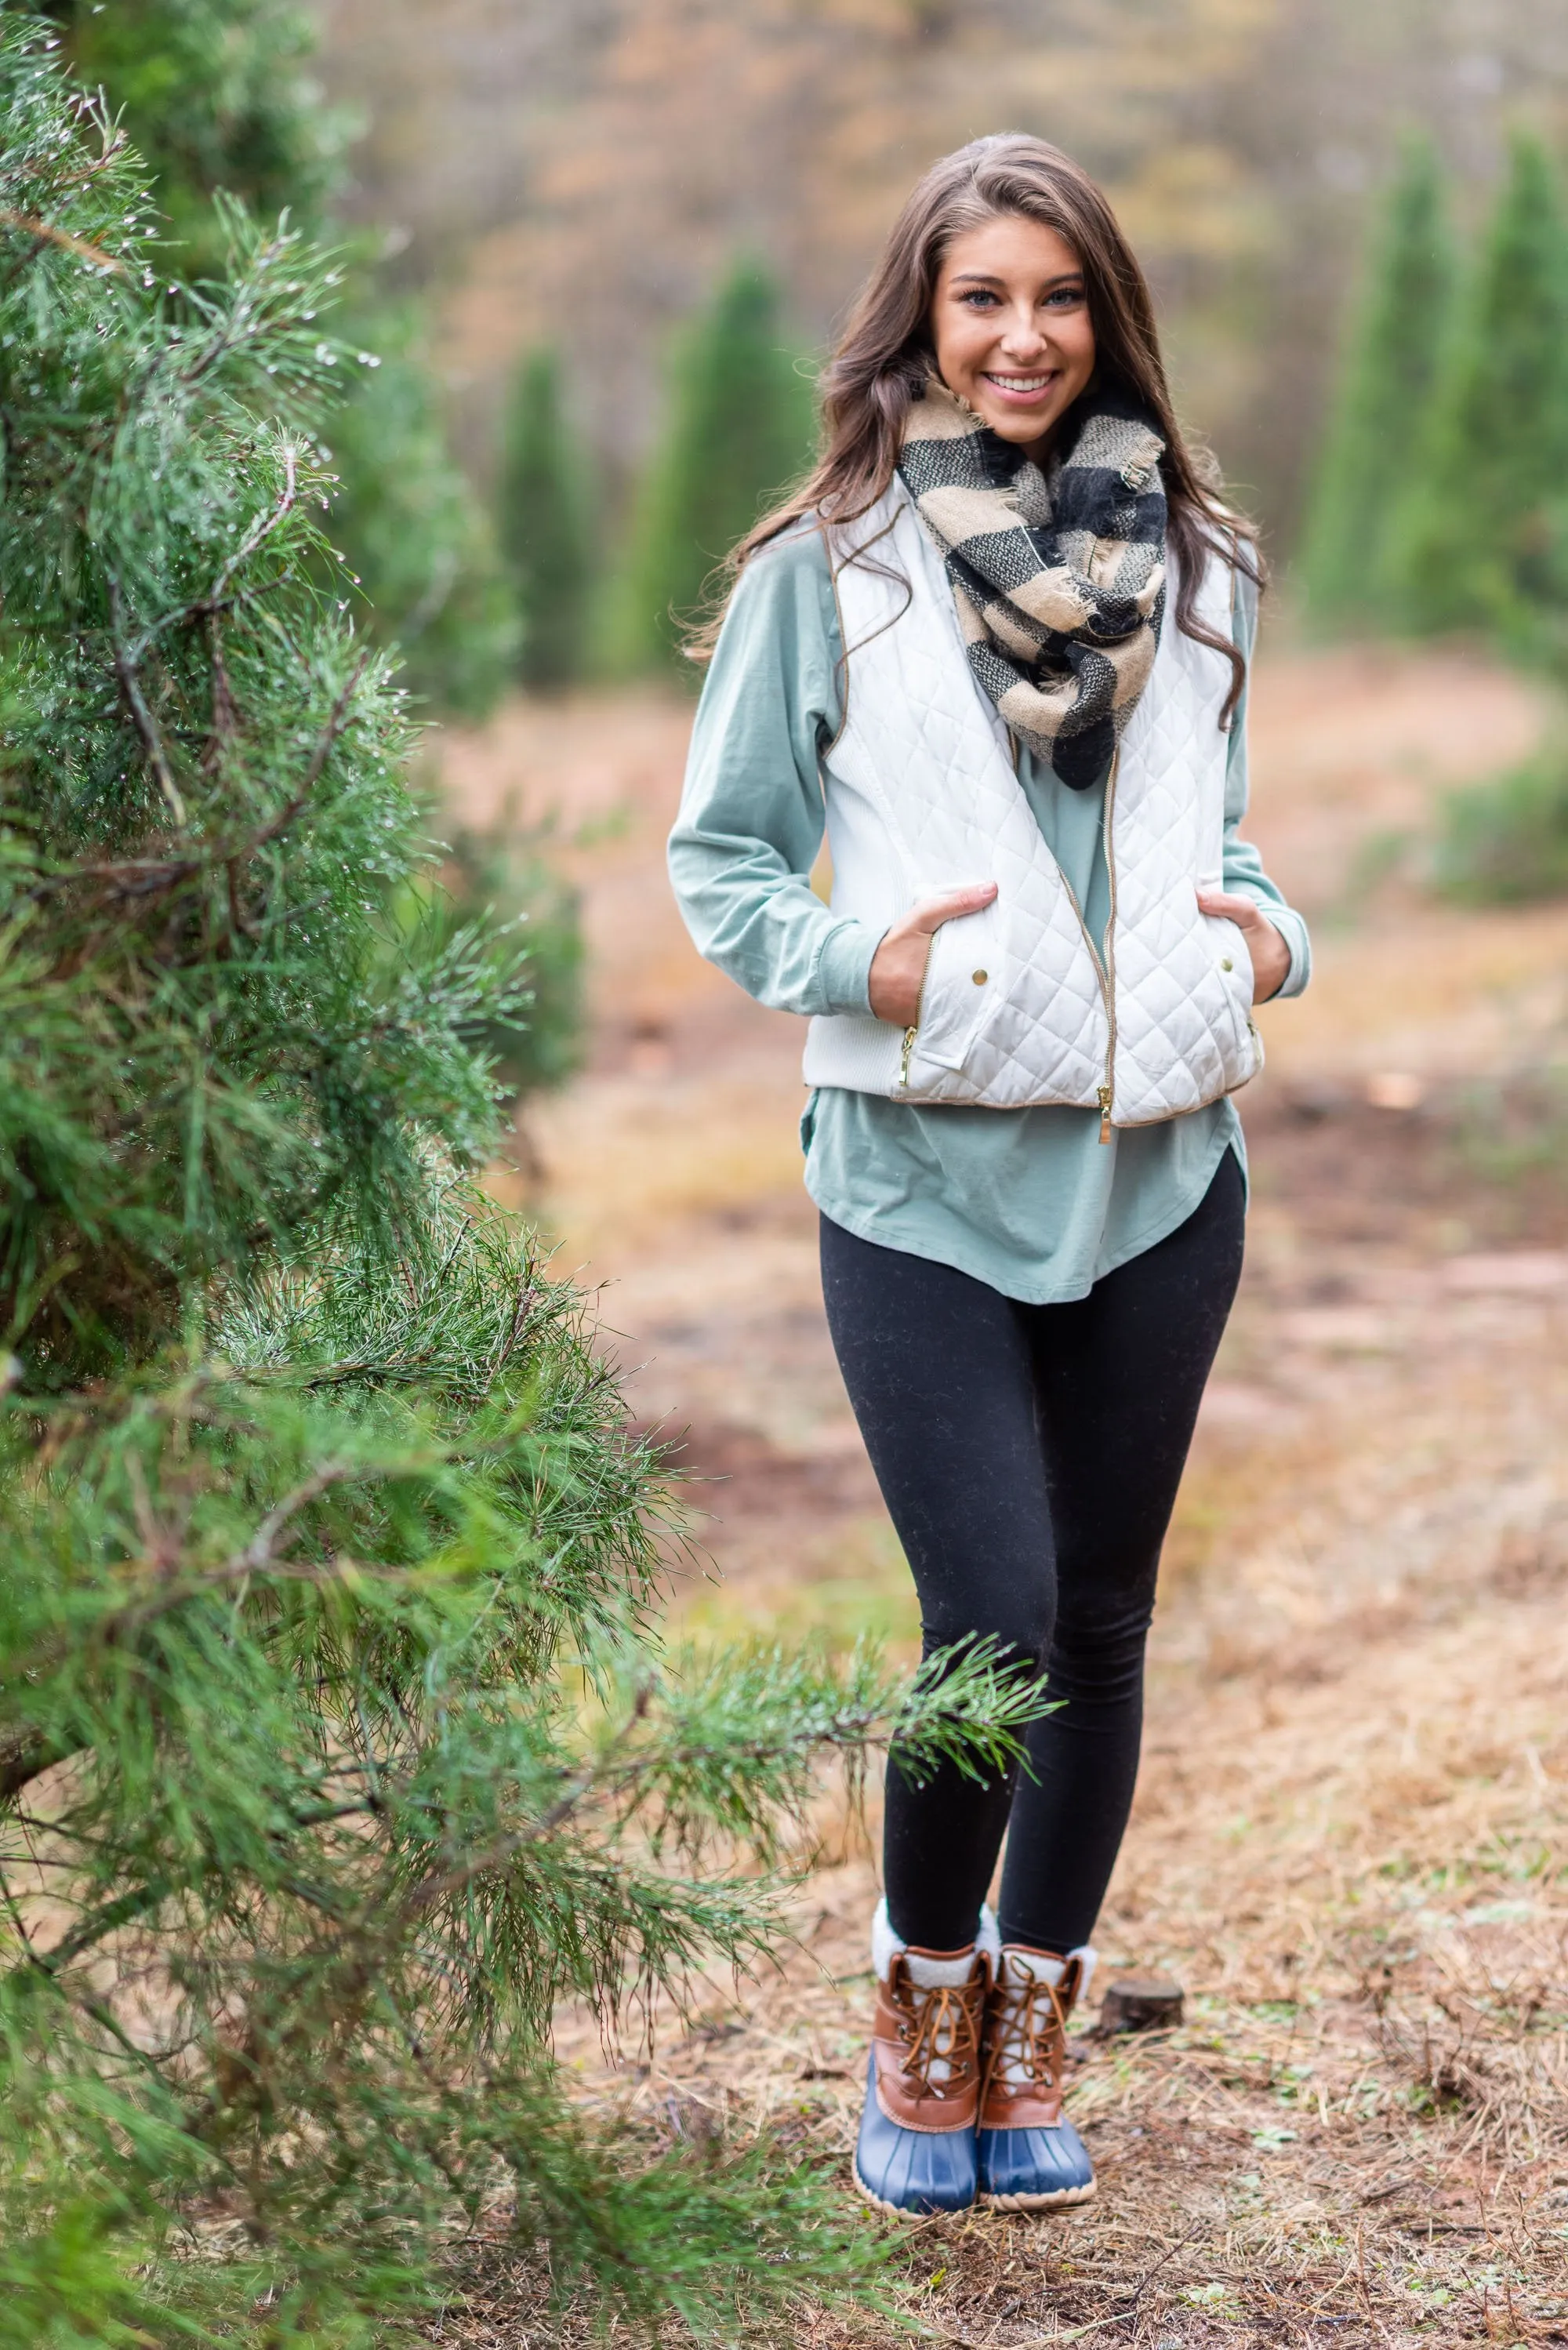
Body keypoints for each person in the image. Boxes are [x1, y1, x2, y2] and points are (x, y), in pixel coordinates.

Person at [667, 133, 1310, 2219]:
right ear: (922, 324)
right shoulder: (826, 572)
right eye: (981, 301)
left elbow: (1223, 837)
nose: (1022, 338)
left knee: (1105, 1620)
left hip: (1161, 1177)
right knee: (995, 1617)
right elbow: (726, 857)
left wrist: (1268, 935)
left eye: (1056, 298)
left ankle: (1034, 2024)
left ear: (1103, 312)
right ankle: (916, 2014)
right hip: (922, 1172)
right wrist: (866, 959)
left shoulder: (1200, 565)